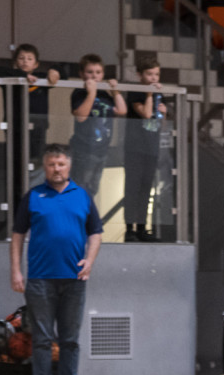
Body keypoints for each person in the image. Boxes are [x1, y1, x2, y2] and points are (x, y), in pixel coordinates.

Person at [9, 144, 103, 375]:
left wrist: (90, 261)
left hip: (74, 280)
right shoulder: (33, 196)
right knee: (41, 339)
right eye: (51, 164)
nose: (56, 169)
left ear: (68, 165)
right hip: (39, 279)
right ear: (45, 167)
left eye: (60, 164)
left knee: (70, 340)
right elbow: (17, 235)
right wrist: (16, 270)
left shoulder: (82, 196)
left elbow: (95, 232)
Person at [0, 44, 61, 213]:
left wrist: (54, 71)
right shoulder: (11, 77)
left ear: (36, 63)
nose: (25, 61)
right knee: (15, 169)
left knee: (36, 169)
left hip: (37, 131)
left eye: (29, 59)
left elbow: (60, 73)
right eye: (21, 58)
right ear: (15, 62)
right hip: (15, 129)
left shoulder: (42, 79)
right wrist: (23, 76)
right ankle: (17, 211)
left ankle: (36, 208)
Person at [69, 54, 127, 200]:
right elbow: (81, 116)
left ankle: (87, 219)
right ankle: (79, 219)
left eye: (98, 72)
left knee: (93, 189)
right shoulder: (80, 92)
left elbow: (121, 111)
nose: (94, 76)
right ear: (82, 74)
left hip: (102, 149)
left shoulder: (105, 95)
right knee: (80, 188)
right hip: (84, 149)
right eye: (90, 72)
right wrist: (91, 93)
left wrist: (115, 91)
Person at [123, 56, 167, 243]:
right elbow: (147, 114)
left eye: (156, 74)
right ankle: (129, 228)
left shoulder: (159, 95)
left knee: (146, 189)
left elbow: (158, 122)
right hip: (134, 147)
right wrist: (149, 94)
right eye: (149, 74)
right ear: (140, 75)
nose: (153, 78)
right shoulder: (136, 92)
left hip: (151, 147)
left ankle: (142, 227)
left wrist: (163, 113)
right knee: (132, 188)